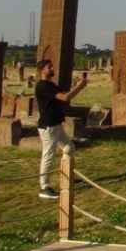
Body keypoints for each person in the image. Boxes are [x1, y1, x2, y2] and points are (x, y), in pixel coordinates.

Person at [35, 60, 88, 199]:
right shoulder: (42, 86)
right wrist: (80, 87)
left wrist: (76, 86)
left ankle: (67, 176)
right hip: (48, 126)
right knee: (48, 155)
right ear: (42, 70)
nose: (52, 68)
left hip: (56, 124)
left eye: (52, 66)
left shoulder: (50, 85)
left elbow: (64, 94)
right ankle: (44, 187)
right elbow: (65, 98)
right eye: (49, 67)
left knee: (69, 147)